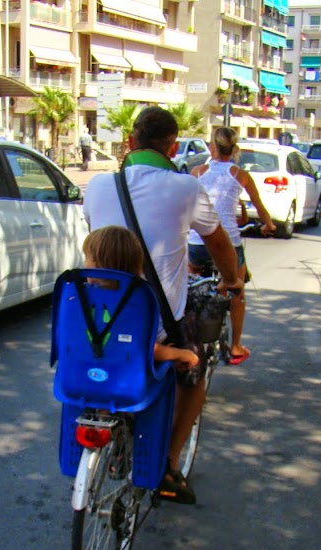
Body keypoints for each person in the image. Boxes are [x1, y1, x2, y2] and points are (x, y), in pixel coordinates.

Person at [83, 106, 243, 505]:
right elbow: (220, 245)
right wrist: (232, 280)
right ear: (173, 147)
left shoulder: (99, 185)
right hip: (153, 324)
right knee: (195, 368)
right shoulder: (185, 187)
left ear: (129, 142)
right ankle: (169, 464)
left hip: (98, 316)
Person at [189, 127, 275, 365]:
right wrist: (268, 225)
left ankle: (187, 334)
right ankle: (235, 346)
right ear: (235, 149)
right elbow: (259, 207)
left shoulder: (196, 172)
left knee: (189, 285)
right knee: (237, 290)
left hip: (198, 242)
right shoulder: (241, 174)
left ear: (211, 147)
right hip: (228, 244)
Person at [83, 226, 199, 371]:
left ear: (98, 264)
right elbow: (145, 348)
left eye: (87, 257)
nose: (84, 263)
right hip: (123, 381)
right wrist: (179, 354)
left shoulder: (80, 299)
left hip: (84, 376)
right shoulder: (134, 302)